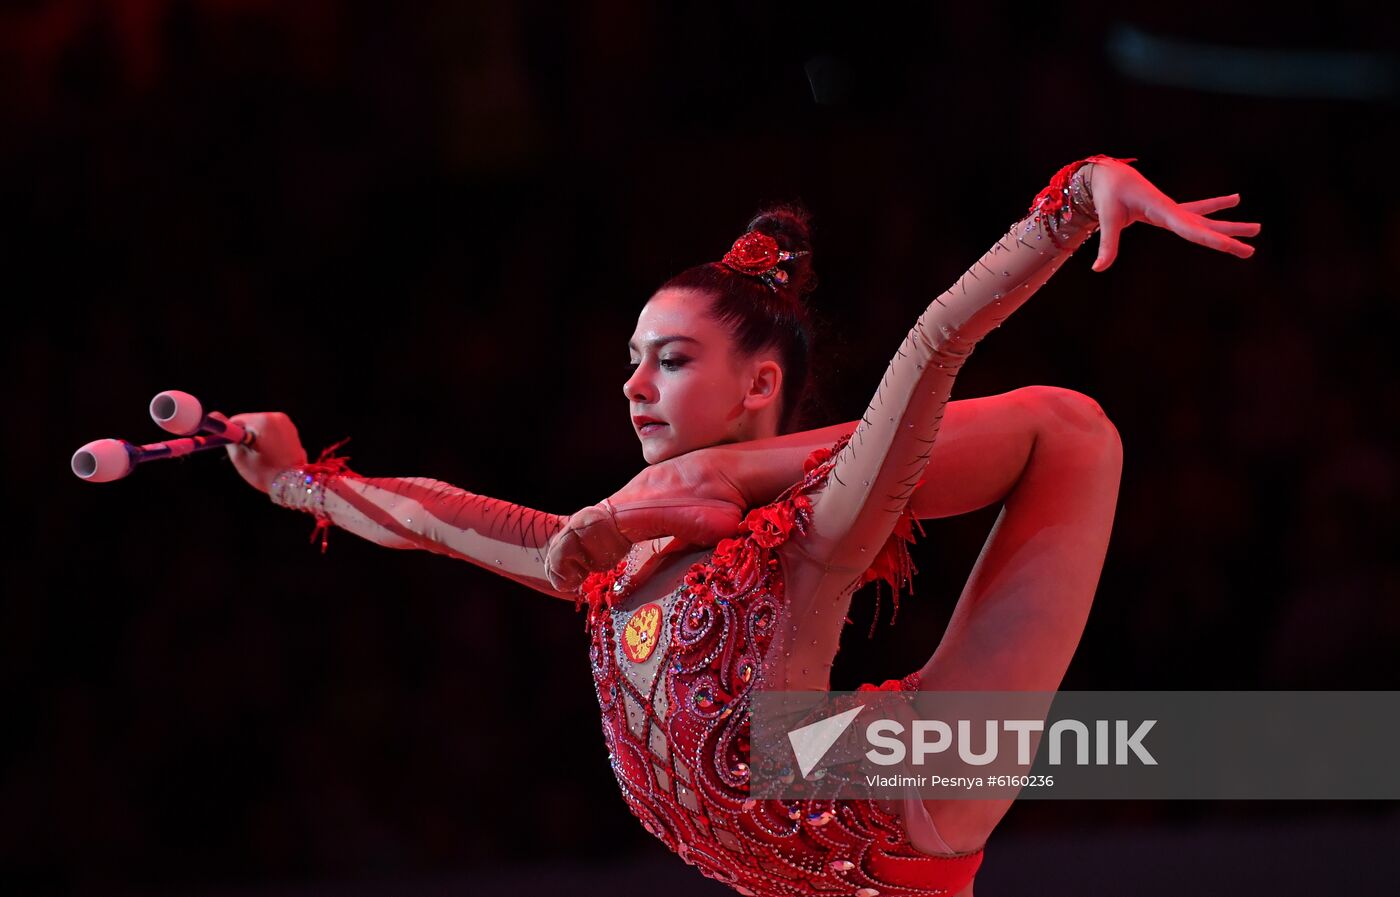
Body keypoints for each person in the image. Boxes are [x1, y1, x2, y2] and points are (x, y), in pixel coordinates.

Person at [227, 154, 1259, 896]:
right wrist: (291, 483)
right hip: (815, 824)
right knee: (1058, 429)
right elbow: (439, 522)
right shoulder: (603, 555)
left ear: (758, 381)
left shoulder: (817, 528)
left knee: (1070, 431)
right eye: (632, 356)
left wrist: (1079, 197)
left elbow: (935, 343)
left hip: (895, 808)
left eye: (668, 360)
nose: (631, 384)